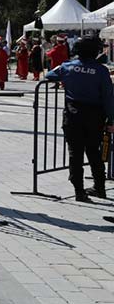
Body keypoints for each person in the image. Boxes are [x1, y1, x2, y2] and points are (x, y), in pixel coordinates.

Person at [46, 36, 114, 202]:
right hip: (95, 116)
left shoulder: (68, 67)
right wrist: (111, 120)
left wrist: (65, 80)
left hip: (73, 115)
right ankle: (100, 187)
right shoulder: (101, 70)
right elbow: (108, 97)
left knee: (75, 154)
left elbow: (49, 75)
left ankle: (79, 191)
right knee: (93, 152)